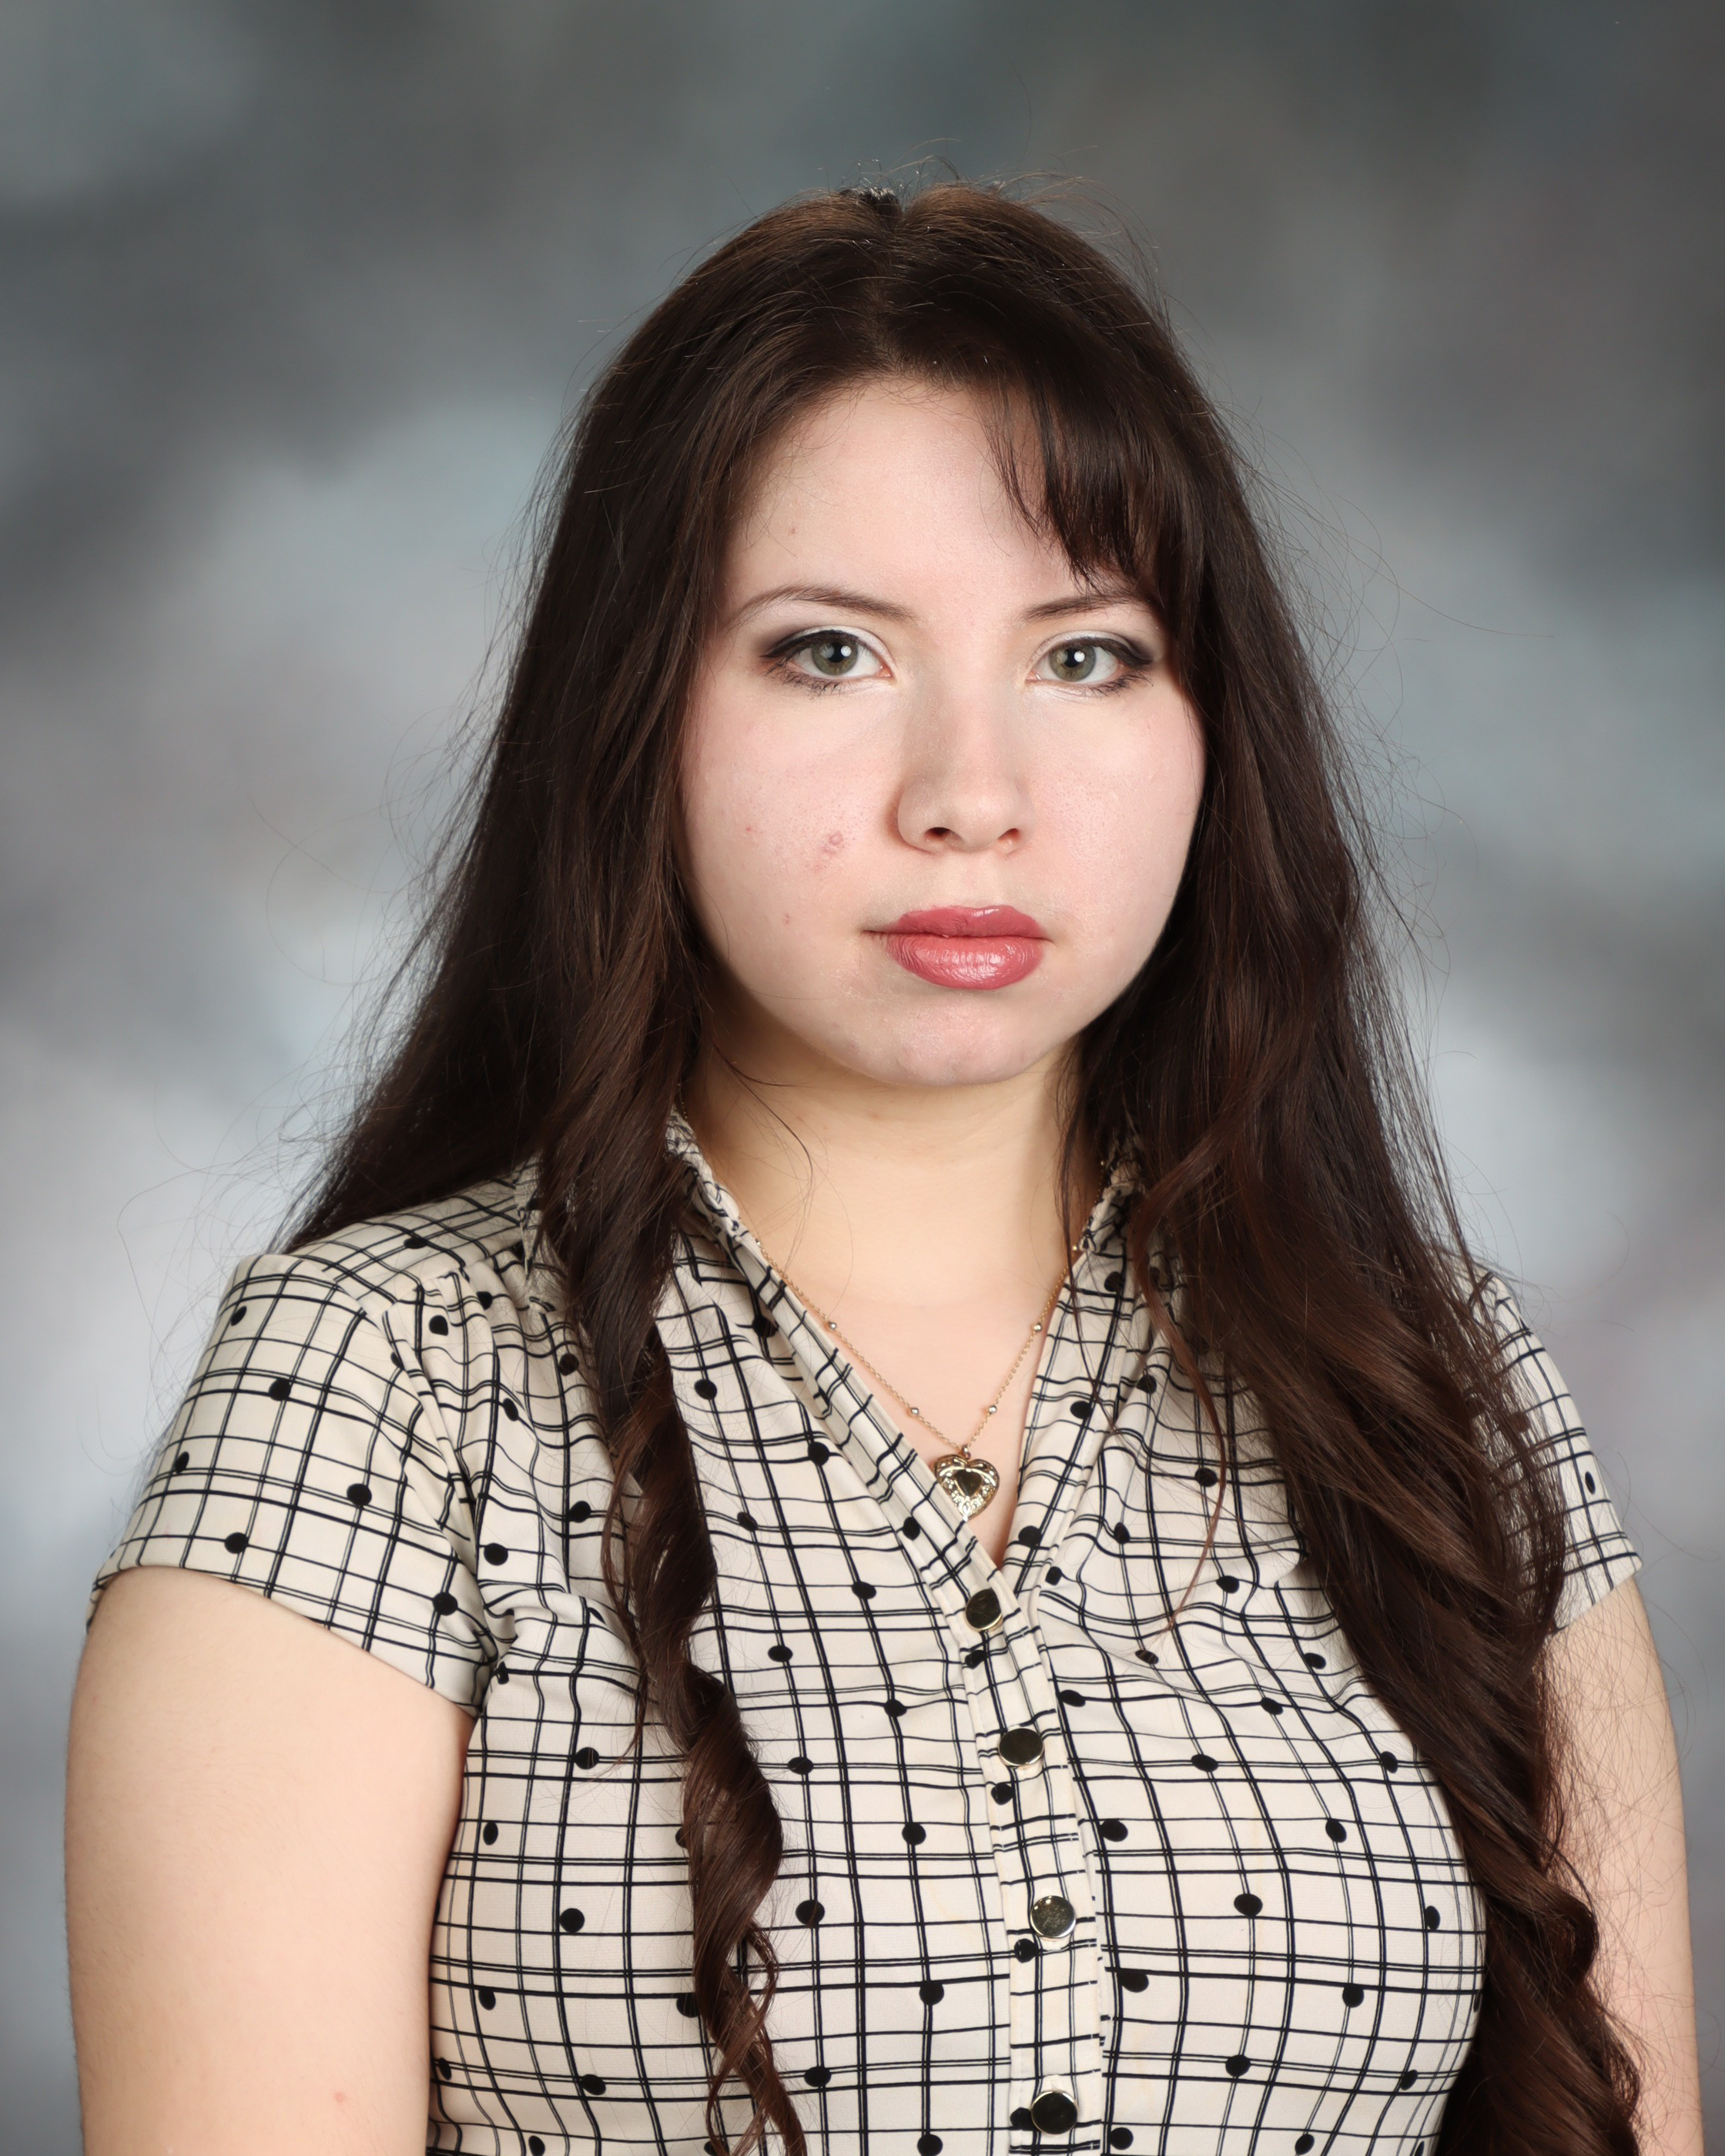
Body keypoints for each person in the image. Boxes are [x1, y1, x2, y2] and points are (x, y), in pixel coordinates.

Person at [64, 180, 1700, 2156]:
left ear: (1216, 725)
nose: (969, 796)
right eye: (829, 651)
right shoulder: (374, 1385)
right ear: (635, 713)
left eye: (1085, 657)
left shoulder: (1431, 1387)